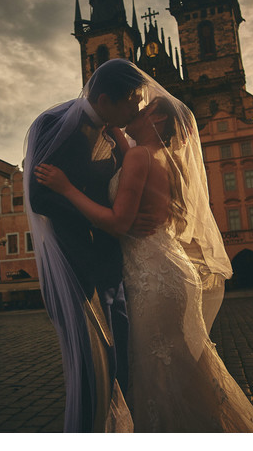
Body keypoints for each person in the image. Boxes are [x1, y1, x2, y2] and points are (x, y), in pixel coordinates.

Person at [34, 79, 253, 433]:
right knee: (182, 369)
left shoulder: (141, 156)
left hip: (153, 280)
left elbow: (116, 223)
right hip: (171, 268)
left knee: (156, 376)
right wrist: (108, 118)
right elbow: (127, 144)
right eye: (129, 102)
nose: (135, 108)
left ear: (157, 119)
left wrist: (66, 188)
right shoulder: (162, 157)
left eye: (141, 108)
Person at [24, 59, 156, 432]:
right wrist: (107, 220)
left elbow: (109, 188)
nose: (136, 108)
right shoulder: (54, 124)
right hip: (76, 263)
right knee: (91, 369)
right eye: (130, 100)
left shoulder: (112, 132)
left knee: (120, 363)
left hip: (112, 263)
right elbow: (39, 196)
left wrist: (124, 220)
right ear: (103, 99)